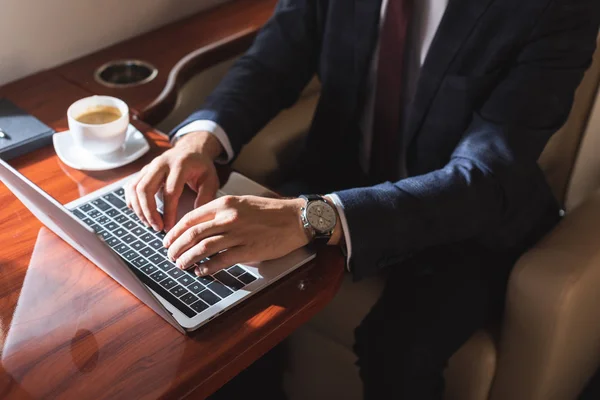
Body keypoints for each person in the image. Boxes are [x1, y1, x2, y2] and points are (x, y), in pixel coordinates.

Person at [125, 0, 600, 398]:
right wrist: (198, 140)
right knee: (218, 281)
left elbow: (485, 174)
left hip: (466, 216)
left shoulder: (557, 8)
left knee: (396, 350)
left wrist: (311, 217)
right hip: (340, 171)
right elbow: (274, 58)